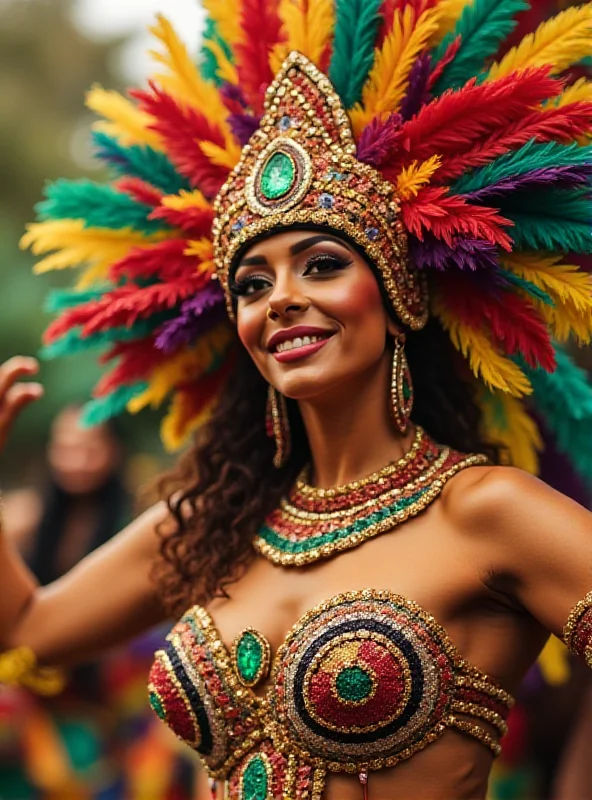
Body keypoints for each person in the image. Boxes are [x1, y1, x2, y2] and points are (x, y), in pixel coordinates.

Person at [2, 2, 592, 799]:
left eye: (319, 265)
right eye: (252, 283)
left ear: (398, 298)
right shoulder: (218, 519)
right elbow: (30, 632)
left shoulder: (486, 513)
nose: (280, 299)